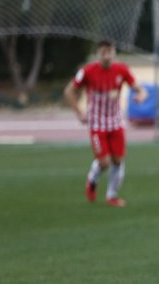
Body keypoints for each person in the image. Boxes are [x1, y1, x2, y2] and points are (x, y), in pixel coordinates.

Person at [63, 40, 147, 207]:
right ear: (98, 54)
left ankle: (112, 195)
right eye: (103, 53)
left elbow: (140, 89)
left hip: (116, 122)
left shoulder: (122, 70)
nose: (107, 56)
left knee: (118, 160)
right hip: (96, 124)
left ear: (114, 53)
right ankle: (92, 180)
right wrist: (79, 112)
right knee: (104, 162)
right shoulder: (87, 71)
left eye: (110, 52)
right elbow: (69, 91)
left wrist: (141, 96)